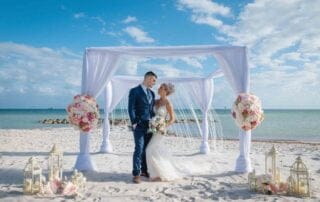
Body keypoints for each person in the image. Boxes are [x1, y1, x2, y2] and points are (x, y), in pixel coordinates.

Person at [146, 83, 180, 181]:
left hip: (160, 130)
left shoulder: (168, 103)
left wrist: (163, 125)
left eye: (161, 88)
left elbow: (172, 118)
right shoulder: (155, 102)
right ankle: (156, 173)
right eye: (160, 87)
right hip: (153, 129)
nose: (159, 89)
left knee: (149, 149)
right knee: (154, 150)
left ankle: (156, 174)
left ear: (166, 91)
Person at [128, 71, 157, 184]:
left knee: (146, 148)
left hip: (150, 125)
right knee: (139, 148)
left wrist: (156, 121)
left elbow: (151, 110)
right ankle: (136, 173)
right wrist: (134, 122)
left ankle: (144, 171)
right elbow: (131, 108)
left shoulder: (152, 93)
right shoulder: (134, 91)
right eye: (153, 80)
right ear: (148, 78)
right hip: (139, 125)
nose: (154, 83)